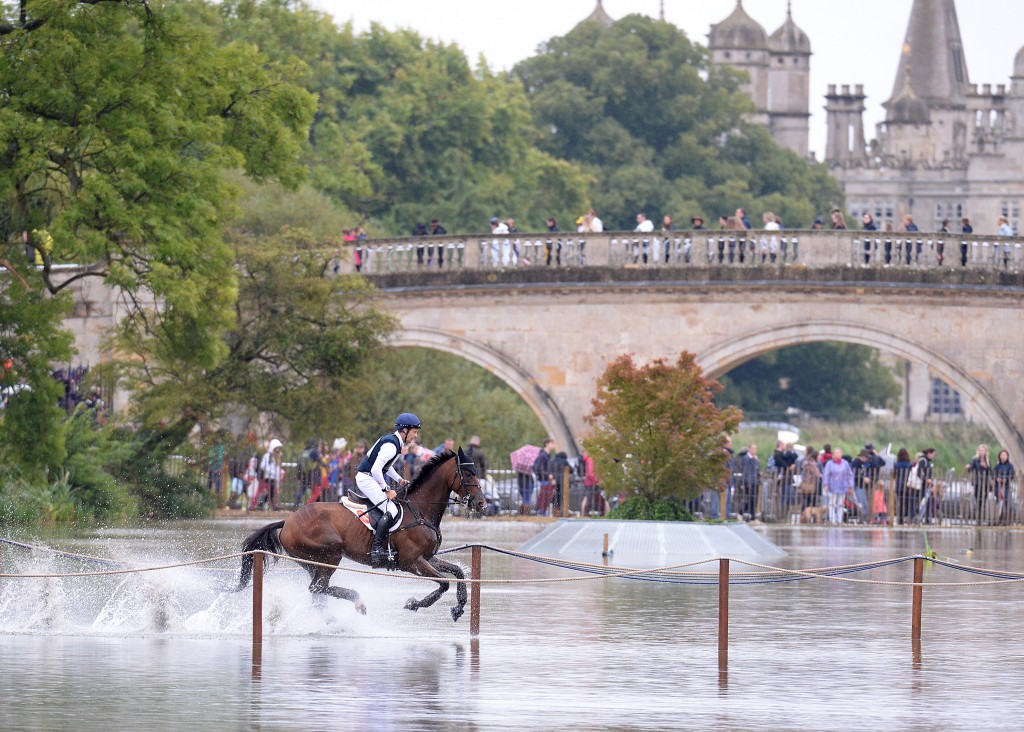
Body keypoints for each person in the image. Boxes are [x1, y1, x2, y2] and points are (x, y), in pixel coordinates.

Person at [353, 413, 420, 566]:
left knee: (393, 506)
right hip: (367, 479)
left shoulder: (395, 442)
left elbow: (386, 468)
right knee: (392, 509)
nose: (415, 435)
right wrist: (386, 489)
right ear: (405, 430)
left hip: (369, 477)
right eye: (414, 431)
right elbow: (377, 469)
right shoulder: (391, 445)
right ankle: (376, 549)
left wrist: (399, 479)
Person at [822, 447, 854, 524]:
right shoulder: (829, 463)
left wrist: (850, 486)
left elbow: (849, 475)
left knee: (840, 504)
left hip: (842, 486)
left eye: (838, 453)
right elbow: (826, 474)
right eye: (835, 453)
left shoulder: (845, 463)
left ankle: (839, 519)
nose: (836, 454)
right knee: (832, 503)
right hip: (832, 486)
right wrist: (825, 484)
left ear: (841, 454)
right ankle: (832, 519)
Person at [251, 438, 284, 511]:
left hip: (273, 478)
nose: (278, 450)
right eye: (277, 448)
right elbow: (263, 466)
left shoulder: (277, 457)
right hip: (267, 477)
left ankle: (266, 505)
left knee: (271, 492)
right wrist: (272, 472)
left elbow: (277, 469)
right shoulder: (267, 456)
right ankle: (258, 505)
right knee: (267, 492)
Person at [967, 444, 992, 523]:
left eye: (983, 451)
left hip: (985, 482)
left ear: (986, 452)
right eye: (980, 450)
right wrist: (968, 467)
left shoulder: (988, 460)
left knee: (984, 499)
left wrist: (986, 467)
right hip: (977, 482)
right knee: (977, 498)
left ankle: (981, 515)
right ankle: (978, 516)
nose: (981, 452)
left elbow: (991, 472)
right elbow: (971, 468)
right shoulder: (974, 459)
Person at [533, 439, 556, 516]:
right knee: (544, 495)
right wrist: (547, 475)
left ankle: (543, 511)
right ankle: (541, 511)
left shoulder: (548, 455)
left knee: (547, 496)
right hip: (544, 479)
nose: (553, 445)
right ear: (547, 444)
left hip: (547, 479)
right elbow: (537, 468)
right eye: (552, 443)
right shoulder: (542, 455)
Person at [993, 450, 1016, 525]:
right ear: (999, 456)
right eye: (1002, 455)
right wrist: (997, 478)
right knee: (999, 503)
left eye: (1005, 455)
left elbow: (1012, 474)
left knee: (1008, 503)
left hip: (1006, 487)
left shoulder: (1010, 465)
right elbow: (993, 474)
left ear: (1007, 456)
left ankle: (1008, 521)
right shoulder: (997, 466)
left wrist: (1006, 479)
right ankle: (998, 520)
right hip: (998, 486)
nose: (1003, 456)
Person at [893, 447, 915, 524]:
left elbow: (894, 475)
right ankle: (907, 516)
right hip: (908, 486)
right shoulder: (910, 465)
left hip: (899, 486)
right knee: (907, 503)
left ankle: (901, 519)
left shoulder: (896, 465)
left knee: (900, 502)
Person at [916, 447, 937, 523]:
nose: (934, 456)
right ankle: (917, 517)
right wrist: (926, 479)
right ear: (929, 453)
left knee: (927, 502)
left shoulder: (928, 461)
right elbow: (919, 472)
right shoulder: (923, 460)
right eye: (933, 454)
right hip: (922, 485)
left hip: (927, 485)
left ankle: (926, 519)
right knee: (923, 502)